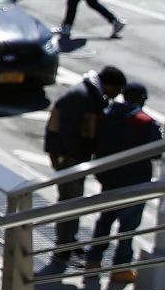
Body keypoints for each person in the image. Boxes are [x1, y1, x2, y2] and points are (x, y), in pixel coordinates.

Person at [43, 66, 125, 266]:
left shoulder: (88, 94)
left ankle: (69, 241)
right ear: (109, 85)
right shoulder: (81, 97)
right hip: (69, 159)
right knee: (69, 203)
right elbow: (68, 132)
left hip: (73, 158)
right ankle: (63, 248)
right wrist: (76, 159)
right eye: (118, 89)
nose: (118, 95)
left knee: (74, 201)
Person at [88, 81, 162, 283]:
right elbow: (157, 153)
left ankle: (93, 261)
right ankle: (120, 269)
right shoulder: (145, 123)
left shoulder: (107, 114)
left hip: (109, 177)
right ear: (141, 99)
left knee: (105, 220)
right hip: (134, 180)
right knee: (128, 227)